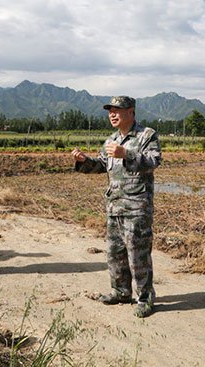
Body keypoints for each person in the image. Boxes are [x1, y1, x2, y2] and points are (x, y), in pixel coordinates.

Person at [71, 96, 162, 318]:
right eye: (110, 111)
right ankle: (121, 291)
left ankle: (145, 297)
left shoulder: (146, 135)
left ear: (131, 112)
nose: (112, 114)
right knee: (115, 253)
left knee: (137, 255)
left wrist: (127, 154)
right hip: (115, 206)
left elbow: (154, 161)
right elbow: (102, 165)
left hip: (137, 207)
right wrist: (85, 161)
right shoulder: (111, 139)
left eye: (117, 110)